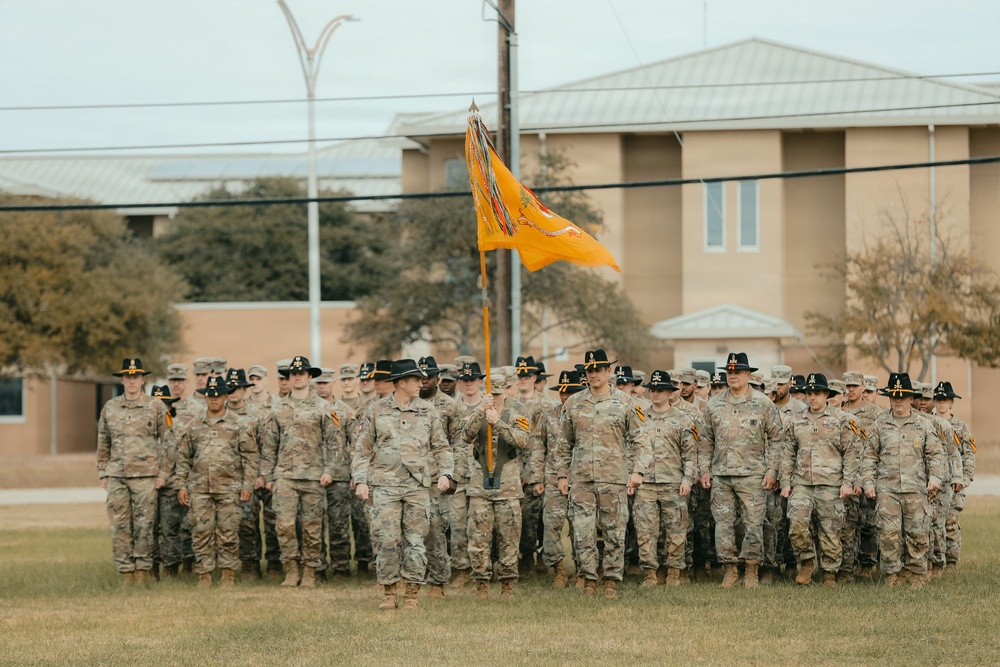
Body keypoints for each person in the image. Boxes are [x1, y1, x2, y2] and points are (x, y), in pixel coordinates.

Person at [352, 359, 454, 611]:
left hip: (417, 486)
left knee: (415, 541)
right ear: (401, 383)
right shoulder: (376, 410)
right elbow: (362, 449)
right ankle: (389, 592)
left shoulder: (428, 411)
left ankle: (411, 593)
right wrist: (361, 480)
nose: (421, 383)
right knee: (387, 540)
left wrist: (446, 473)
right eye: (415, 379)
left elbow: (441, 446)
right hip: (385, 486)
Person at [555, 349, 650, 600]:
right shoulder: (574, 403)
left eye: (598, 369)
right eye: (590, 370)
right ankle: (589, 580)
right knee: (583, 533)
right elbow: (564, 443)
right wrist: (562, 475)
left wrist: (638, 470)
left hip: (613, 479)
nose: (593, 374)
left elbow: (641, 440)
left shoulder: (626, 403)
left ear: (609, 371)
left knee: (614, 533)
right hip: (582, 480)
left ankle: (610, 581)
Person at [698, 352, 783, 589]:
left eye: (738, 372)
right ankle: (729, 570)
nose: (733, 375)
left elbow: (777, 440)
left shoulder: (763, 404)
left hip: (753, 475)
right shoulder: (714, 404)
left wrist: (772, 471)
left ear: (748, 375)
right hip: (722, 475)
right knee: (723, 526)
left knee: (753, 525)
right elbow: (705, 440)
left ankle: (752, 570)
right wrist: (704, 470)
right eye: (729, 372)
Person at [861, 373, 945, 588]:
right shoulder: (879, 424)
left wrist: (935, 479)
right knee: (888, 535)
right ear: (890, 398)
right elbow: (869, 456)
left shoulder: (923, 425)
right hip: (887, 490)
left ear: (911, 398)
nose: (898, 401)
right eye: (894, 397)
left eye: (903, 396)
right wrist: (868, 482)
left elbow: (936, 455)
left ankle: (917, 573)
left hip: (916, 488)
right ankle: (892, 574)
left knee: (918, 533)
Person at [260, 356, 338, 589]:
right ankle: (292, 570)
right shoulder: (278, 407)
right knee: (284, 525)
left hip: (314, 476)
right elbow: (270, 444)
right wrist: (268, 476)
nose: (297, 377)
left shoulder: (323, 407)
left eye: (301, 373)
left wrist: (329, 470)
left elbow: (334, 442)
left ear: (309, 377)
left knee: (312, 526)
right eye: (293, 374)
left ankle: (311, 572)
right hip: (285, 476)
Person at [96, 358, 173, 585]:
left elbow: (169, 442)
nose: (132, 381)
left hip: (146, 476)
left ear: (143, 380)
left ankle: (142, 572)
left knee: (145, 526)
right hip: (117, 475)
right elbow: (103, 441)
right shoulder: (110, 407)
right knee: (119, 526)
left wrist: (163, 474)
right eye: (128, 377)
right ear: (121, 380)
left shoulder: (156, 407)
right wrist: (103, 472)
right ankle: (126, 573)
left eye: (136, 377)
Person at [176, 375, 257, 588]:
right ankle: (204, 575)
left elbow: (250, 457)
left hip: (230, 489)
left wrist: (248, 485)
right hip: (200, 489)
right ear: (205, 398)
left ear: (225, 397)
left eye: (218, 395)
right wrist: (182, 485)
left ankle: (228, 575)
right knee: (201, 532)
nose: (213, 399)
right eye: (210, 395)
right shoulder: (193, 425)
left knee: (228, 532)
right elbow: (183, 458)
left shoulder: (238, 425)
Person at [459, 371, 533, 600]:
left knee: (509, 538)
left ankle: (507, 584)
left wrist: (497, 423)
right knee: (478, 538)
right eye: (491, 394)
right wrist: (480, 412)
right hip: (480, 487)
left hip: (508, 487)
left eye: (499, 394)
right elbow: (465, 436)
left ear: (507, 392)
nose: (495, 398)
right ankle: (481, 583)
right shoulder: (475, 413)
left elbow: (522, 441)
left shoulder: (517, 415)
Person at [779, 373, 858, 587]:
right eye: (809, 393)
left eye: (817, 393)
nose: (812, 397)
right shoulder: (795, 420)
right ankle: (806, 562)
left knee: (830, 530)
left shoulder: (842, 420)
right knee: (796, 523)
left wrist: (848, 482)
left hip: (831, 484)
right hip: (802, 483)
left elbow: (851, 453)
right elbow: (787, 452)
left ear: (826, 395)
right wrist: (785, 482)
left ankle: (829, 573)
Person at [634, 371, 695, 587]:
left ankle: (673, 574)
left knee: (676, 531)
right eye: (653, 389)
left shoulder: (683, 419)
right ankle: (650, 574)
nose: (656, 393)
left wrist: (687, 479)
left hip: (673, 483)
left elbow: (690, 454)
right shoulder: (639, 417)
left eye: (661, 390)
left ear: (670, 393)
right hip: (645, 484)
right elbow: (631, 448)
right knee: (645, 532)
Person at [417, 356, 463, 599]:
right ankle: (410, 577)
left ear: (437, 379)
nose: (424, 381)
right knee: (409, 530)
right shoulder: (407, 403)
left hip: (438, 479)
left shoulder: (449, 406)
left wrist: (454, 475)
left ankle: (437, 581)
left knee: (436, 529)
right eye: (420, 377)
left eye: (429, 377)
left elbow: (459, 443)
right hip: (410, 478)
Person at [312, 368, 358, 580]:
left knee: (339, 524)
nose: (322, 387)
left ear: (333, 383)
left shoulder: (345, 412)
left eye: (325, 383)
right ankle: (317, 568)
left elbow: (355, 445)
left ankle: (341, 568)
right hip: (313, 474)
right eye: (318, 383)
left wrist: (355, 474)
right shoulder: (309, 410)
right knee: (314, 524)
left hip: (339, 476)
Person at [540, 370, 585, 587]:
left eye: (570, 392)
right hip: (552, 480)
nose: (565, 396)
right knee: (551, 526)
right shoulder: (549, 415)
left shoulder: (585, 415)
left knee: (580, 527)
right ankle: (558, 569)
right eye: (562, 392)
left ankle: (582, 570)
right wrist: (537, 478)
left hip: (580, 479)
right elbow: (539, 447)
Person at [448, 360, 487, 588]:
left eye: (473, 379)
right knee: (458, 523)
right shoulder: (453, 408)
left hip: (483, 474)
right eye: (464, 380)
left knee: (481, 524)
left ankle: (482, 568)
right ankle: (462, 569)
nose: (469, 383)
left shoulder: (489, 406)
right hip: (458, 474)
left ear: (480, 381)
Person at [933, 381, 976, 571]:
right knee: (934, 524)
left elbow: (969, 454)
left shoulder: (961, 427)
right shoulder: (928, 422)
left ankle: (951, 561)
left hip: (954, 484)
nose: (941, 403)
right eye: (938, 399)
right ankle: (935, 561)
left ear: (951, 403)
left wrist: (965, 479)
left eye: (945, 399)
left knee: (950, 523)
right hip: (934, 484)